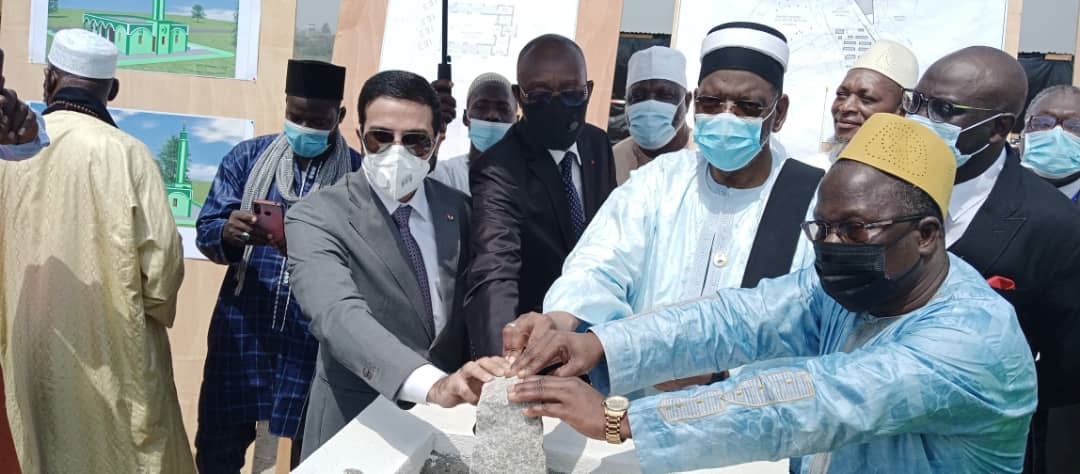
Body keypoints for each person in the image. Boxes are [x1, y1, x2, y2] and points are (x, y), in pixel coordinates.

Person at [505, 113, 1037, 473]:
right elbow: (735, 319)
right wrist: (596, 344)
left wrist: (620, 419)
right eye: (822, 228)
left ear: (926, 235)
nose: (832, 246)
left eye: (853, 230)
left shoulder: (972, 341)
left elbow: (809, 402)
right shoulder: (853, 290)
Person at [529, 22, 821, 391]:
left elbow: (814, 326)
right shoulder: (659, 182)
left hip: (756, 425)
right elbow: (599, 266)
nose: (725, 117)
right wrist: (561, 319)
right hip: (632, 418)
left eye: (747, 106)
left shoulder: (811, 201)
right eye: (712, 103)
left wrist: (721, 377)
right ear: (695, 102)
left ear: (778, 114)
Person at [286, 70, 508, 457]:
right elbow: (338, 316)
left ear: (437, 142)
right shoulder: (316, 216)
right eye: (381, 137)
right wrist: (434, 386)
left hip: (446, 431)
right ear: (359, 136)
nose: (397, 151)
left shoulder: (460, 211)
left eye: (415, 141)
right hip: (354, 425)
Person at [0, 29, 192, 473]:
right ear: (113, 90)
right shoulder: (128, 153)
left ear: (49, 79)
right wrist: (153, 311)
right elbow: (162, 263)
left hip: (24, 337)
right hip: (111, 345)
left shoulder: (9, 152)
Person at [905, 46, 1080, 474]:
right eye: (917, 103)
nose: (923, 120)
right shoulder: (878, 187)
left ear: (1000, 128)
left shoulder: (1054, 226)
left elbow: (1065, 373)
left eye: (944, 110)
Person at [194, 59, 361, 472]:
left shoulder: (358, 175)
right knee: (218, 448)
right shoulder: (247, 158)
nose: (303, 126)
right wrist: (226, 234)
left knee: (316, 452)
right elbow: (207, 231)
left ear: (338, 117)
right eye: (294, 116)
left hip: (313, 339)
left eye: (316, 119)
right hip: (243, 327)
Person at [465, 34, 617, 357]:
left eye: (571, 93)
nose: (557, 105)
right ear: (519, 96)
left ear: (588, 91)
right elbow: (495, 269)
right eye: (541, 94)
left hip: (598, 337)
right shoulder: (498, 169)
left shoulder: (597, 145)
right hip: (534, 345)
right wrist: (504, 359)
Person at [804, 40, 918, 169]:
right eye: (842, 95)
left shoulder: (914, 183)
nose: (845, 107)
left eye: (866, 99)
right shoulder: (813, 172)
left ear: (901, 111)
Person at [611, 46, 692, 184]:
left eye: (665, 95)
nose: (650, 105)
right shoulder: (613, 161)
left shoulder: (705, 160)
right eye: (637, 96)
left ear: (687, 102)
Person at [430, 72, 518, 195]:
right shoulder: (445, 175)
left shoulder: (530, 179)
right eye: (481, 107)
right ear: (465, 118)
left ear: (517, 120)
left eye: (503, 109)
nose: (492, 115)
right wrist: (426, 119)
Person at [1020, 85, 1080, 203]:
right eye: (1043, 122)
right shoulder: (991, 185)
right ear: (1023, 131)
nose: (1057, 134)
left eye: (1075, 126)